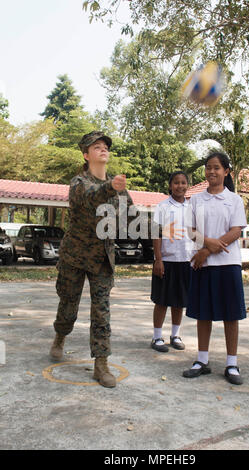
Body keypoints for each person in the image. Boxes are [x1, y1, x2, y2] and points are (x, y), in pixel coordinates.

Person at [49, 131, 133, 388]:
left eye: (105, 146)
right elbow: (88, 198)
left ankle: (101, 364)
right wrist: (111, 187)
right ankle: (60, 335)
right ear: (86, 155)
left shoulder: (117, 186)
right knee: (68, 305)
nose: (103, 149)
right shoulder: (78, 182)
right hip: (75, 256)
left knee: (101, 312)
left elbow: (132, 218)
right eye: (96, 147)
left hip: (101, 259)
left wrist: (165, 229)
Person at [182, 151, 247, 385]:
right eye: (208, 167)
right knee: (203, 313)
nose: (212, 171)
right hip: (203, 265)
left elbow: (236, 230)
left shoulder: (234, 200)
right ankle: (201, 360)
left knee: (231, 315)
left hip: (227, 264)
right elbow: (190, 231)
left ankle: (231, 363)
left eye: (217, 167)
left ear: (226, 171)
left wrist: (206, 250)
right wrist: (206, 244)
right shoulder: (196, 200)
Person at [150, 171, 194, 352]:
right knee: (162, 301)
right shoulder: (162, 207)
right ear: (170, 186)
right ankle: (156, 337)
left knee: (179, 301)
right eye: (176, 183)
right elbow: (156, 234)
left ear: (187, 186)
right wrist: (158, 259)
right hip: (167, 260)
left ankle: (175, 335)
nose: (180, 186)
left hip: (186, 260)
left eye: (183, 183)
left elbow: (196, 234)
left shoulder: (192, 207)